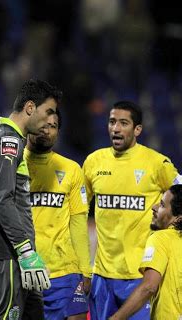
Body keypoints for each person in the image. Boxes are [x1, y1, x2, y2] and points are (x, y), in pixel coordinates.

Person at [82, 100, 181, 320]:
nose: (115, 128)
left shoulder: (157, 164)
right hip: (102, 276)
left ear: (137, 129)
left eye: (123, 123)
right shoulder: (93, 162)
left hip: (140, 276)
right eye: (112, 122)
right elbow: (78, 212)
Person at [0, 79, 63, 319]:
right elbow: (2, 200)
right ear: (29, 107)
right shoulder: (9, 141)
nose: (50, 120)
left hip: (16, 257)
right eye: (48, 112)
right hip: (8, 255)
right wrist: (25, 251)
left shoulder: (6, 137)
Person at [25, 109, 92, 320]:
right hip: (23, 271)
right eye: (42, 125)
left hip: (65, 272)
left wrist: (85, 270)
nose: (46, 130)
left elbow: (78, 223)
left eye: (52, 126)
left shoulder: (71, 169)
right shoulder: (10, 164)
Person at [109, 184, 182, 319]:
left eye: (161, 205)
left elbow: (149, 287)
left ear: (178, 218)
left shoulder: (161, 238)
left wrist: (116, 318)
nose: (154, 207)